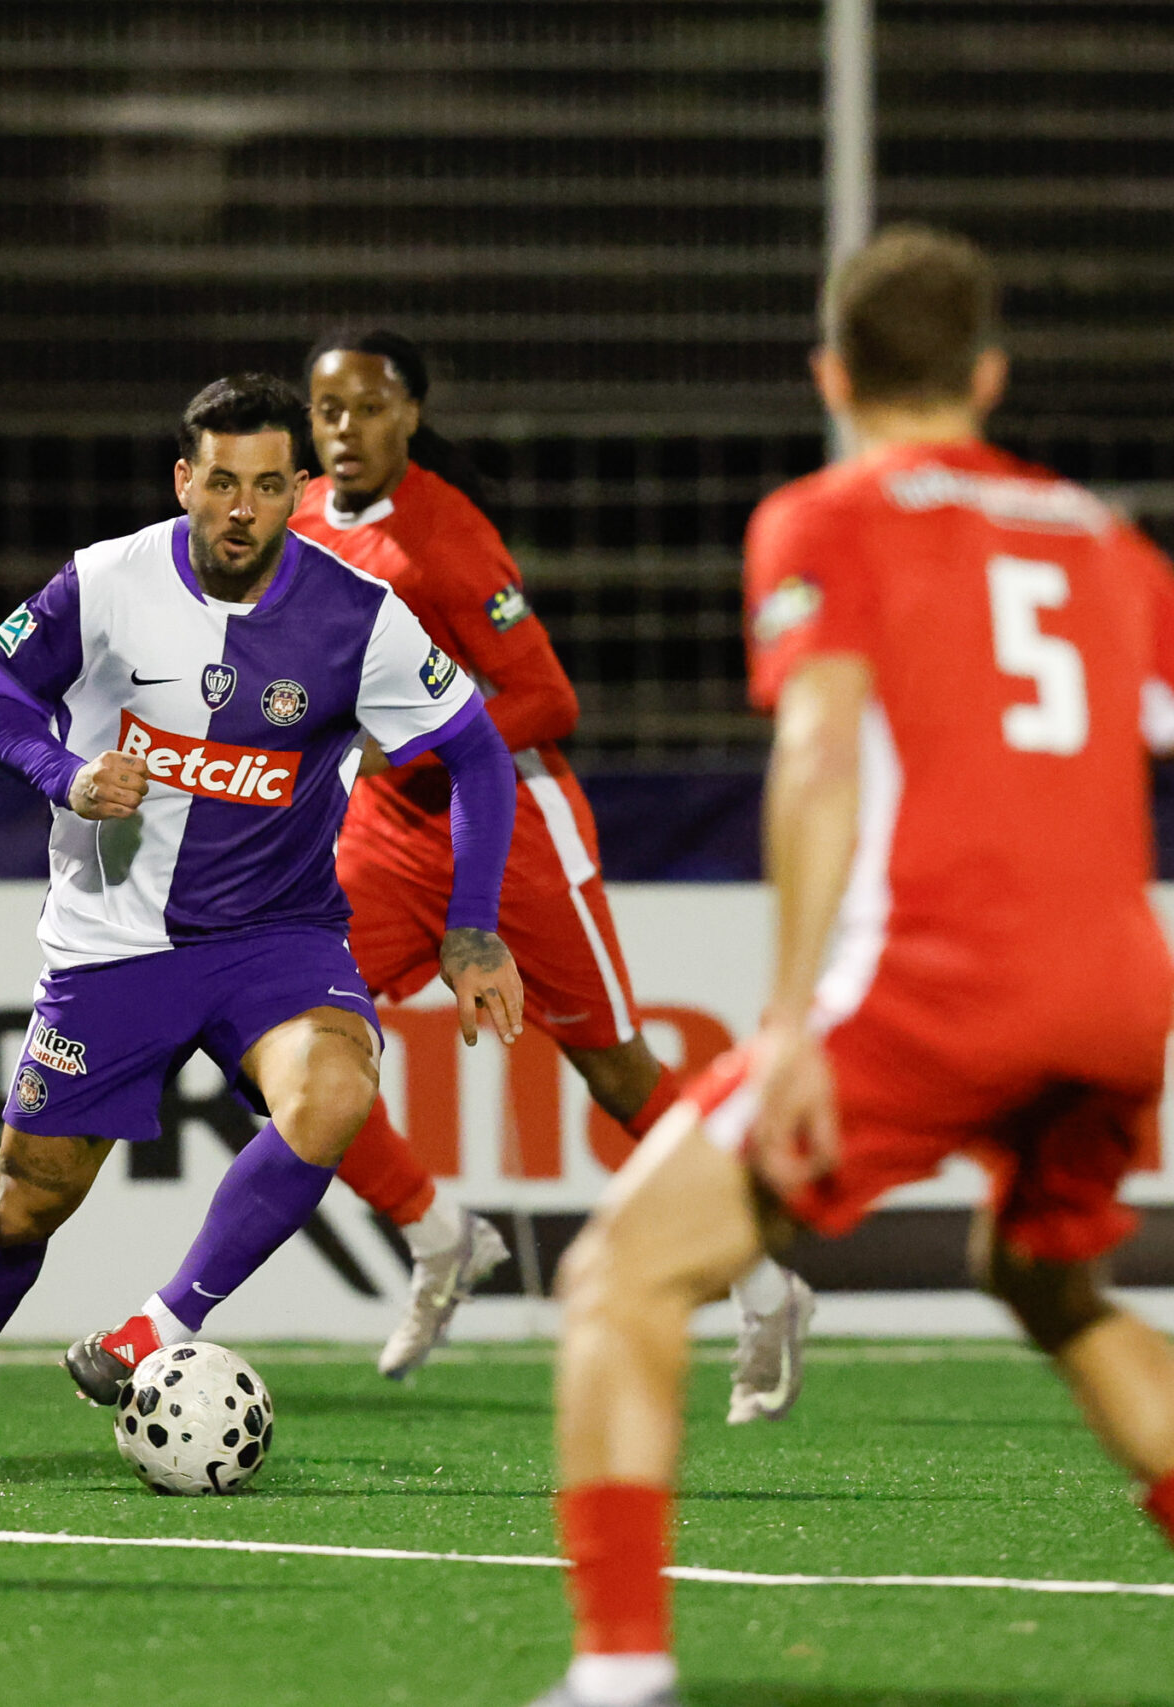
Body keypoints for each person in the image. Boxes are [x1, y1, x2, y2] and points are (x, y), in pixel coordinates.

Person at [531, 227, 1174, 1707]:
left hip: (932, 986)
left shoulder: (821, 517)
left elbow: (818, 750)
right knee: (1050, 1278)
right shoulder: (1100, 537)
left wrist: (789, 1022)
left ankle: (619, 1674)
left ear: (833, 376)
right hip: (1112, 996)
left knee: (617, 1276)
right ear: (988, 374)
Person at [0, 374, 525, 1487]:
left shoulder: (355, 615)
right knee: (23, 1206)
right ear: (185, 478)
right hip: (113, 943)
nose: (240, 509)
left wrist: (471, 931)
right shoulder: (107, 580)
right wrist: (65, 775)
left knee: (334, 1092)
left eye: (268, 486)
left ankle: (156, 1330)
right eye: (220, 482)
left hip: (277, 935)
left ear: (296, 490)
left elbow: (478, 754)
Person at [294, 329, 816, 1404]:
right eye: (328, 408)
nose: (347, 429)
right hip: (384, 836)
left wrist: (410, 740)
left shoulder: (445, 537)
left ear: (411, 414)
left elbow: (547, 699)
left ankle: (764, 1288)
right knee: (283, 1040)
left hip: (511, 823)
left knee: (615, 1074)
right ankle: (439, 1233)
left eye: (371, 407)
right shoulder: (299, 520)